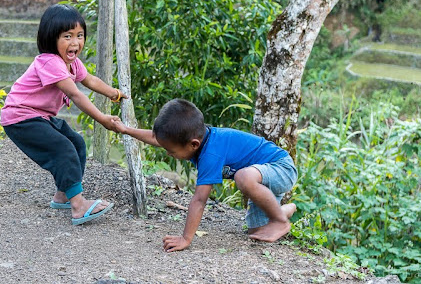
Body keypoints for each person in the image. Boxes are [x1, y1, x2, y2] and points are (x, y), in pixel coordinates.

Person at [112, 98, 297, 251]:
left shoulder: (211, 153)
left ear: (193, 144)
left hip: (281, 168)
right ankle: (283, 210)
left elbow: (200, 200)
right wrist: (126, 130)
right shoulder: (198, 140)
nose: (169, 154)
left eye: (172, 151)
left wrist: (185, 238)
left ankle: (280, 221)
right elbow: (156, 139)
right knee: (257, 232)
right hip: (263, 181)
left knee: (243, 177)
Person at [1, 4, 126, 225]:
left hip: (40, 116)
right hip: (21, 116)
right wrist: (103, 119)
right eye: (67, 36)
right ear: (51, 38)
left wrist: (114, 93)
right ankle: (78, 206)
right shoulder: (49, 62)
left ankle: (62, 195)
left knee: (76, 142)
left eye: (80, 35)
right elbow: (76, 94)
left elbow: (90, 80)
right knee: (64, 148)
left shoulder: (72, 63)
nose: (75, 42)